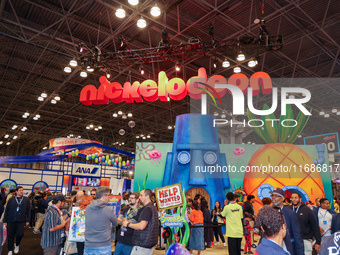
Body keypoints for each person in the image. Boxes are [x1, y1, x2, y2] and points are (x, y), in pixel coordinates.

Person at [122, 189, 159, 255]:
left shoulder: (147, 209)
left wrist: (127, 224)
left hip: (142, 245)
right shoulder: (152, 207)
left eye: (141, 195)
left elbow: (141, 226)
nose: (139, 197)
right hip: (148, 244)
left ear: (147, 196)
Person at [270, 188, 304, 255]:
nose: (273, 198)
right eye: (272, 195)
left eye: (276, 196)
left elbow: (297, 235)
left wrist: (300, 253)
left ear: (282, 199)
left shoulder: (290, 213)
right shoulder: (268, 213)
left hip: (286, 249)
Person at [84, 186, 118, 254]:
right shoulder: (108, 210)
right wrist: (109, 223)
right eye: (108, 195)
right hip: (103, 245)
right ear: (104, 196)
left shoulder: (88, 208)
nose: (109, 197)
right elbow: (115, 223)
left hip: (88, 245)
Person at [3, 186, 31, 255]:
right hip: (11, 220)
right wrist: (5, 221)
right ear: (16, 191)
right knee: (10, 236)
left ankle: (17, 244)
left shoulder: (26, 199)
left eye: (22, 190)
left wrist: (28, 220)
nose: (21, 191)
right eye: (20, 190)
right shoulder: (11, 199)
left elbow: (28, 210)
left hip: (21, 221)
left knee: (20, 234)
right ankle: (10, 250)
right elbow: (7, 210)